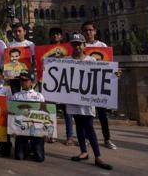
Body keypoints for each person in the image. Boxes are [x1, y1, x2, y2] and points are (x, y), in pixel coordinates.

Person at [67, 33, 113, 170]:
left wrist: (115, 74)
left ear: (84, 45)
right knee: (79, 126)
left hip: (87, 100)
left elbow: (102, 75)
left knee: (89, 126)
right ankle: (84, 152)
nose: (77, 47)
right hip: (73, 99)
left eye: (79, 44)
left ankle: (98, 156)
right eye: (74, 44)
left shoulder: (91, 60)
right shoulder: (67, 61)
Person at [81, 21, 117, 150]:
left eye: (90, 30)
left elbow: (109, 65)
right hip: (85, 84)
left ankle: (107, 139)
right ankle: (86, 138)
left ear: (95, 31)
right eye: (85, 30)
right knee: (86, 114)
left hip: (99, 84)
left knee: (102, 114)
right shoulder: (82, 46)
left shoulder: (102, 45)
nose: (88, 32)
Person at [48, 26, 75, 146]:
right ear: (50, 37)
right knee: (51, 111)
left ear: (61, 36)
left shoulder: (68, 50)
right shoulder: (45, 50)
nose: (55, 36)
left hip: (65, 83)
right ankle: (51, 134)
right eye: (53, 34)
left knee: (67, 112)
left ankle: (69, 136)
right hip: (51, 84)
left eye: (57, 34)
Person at [11, 72, 45, 162]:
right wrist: (13, 130)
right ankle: (27, 147)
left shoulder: (39, 96)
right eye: (21, 80)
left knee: (40, 158)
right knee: (19, 157)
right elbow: (12, 114)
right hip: (21, 129)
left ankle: (33, 147)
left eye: (25, 80)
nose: (23, 82)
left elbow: (44, 114)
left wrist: (45, 131)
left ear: (31, 82)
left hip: (36, 129)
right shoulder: (15, 96)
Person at [7, 22, 35, 94]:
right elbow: (7, 62)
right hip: (14, 78)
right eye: (15, 31)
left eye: (19, 31)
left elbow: (34, 61)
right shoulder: (9, 45)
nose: (17, 33)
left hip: (26, 77)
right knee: (15, 96)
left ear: (25, 32)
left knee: (27, 96)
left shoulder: (30, 44)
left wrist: (33, 76)